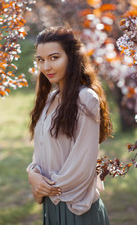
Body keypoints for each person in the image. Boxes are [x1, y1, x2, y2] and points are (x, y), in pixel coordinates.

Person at [26, 26, 113, 225]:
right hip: (52, 206)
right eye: (41, 60)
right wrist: (32, 174)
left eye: (54, 57)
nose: (46, 66)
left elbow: (82, 166)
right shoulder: (50, 99)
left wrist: (46, 189)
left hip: (76, 208)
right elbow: (41, 150)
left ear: (71, 58)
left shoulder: (85, 99)